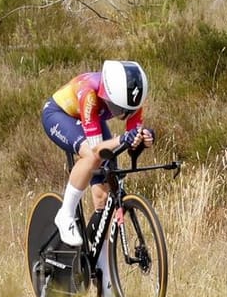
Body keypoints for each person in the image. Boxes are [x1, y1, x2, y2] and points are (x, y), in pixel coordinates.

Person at [41, 60, 155, 247]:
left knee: (104, 200)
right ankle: (65, 214)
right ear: (107, 95)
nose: (123, 114)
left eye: (129, 110)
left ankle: (102, 268)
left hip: (94, 115)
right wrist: (122, 139)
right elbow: (96, 150)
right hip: (60, 114)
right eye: (118, 108)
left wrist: (143, 138)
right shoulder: (90, 93)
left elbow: (131, 140)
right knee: (92, 156)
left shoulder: (132, 99)